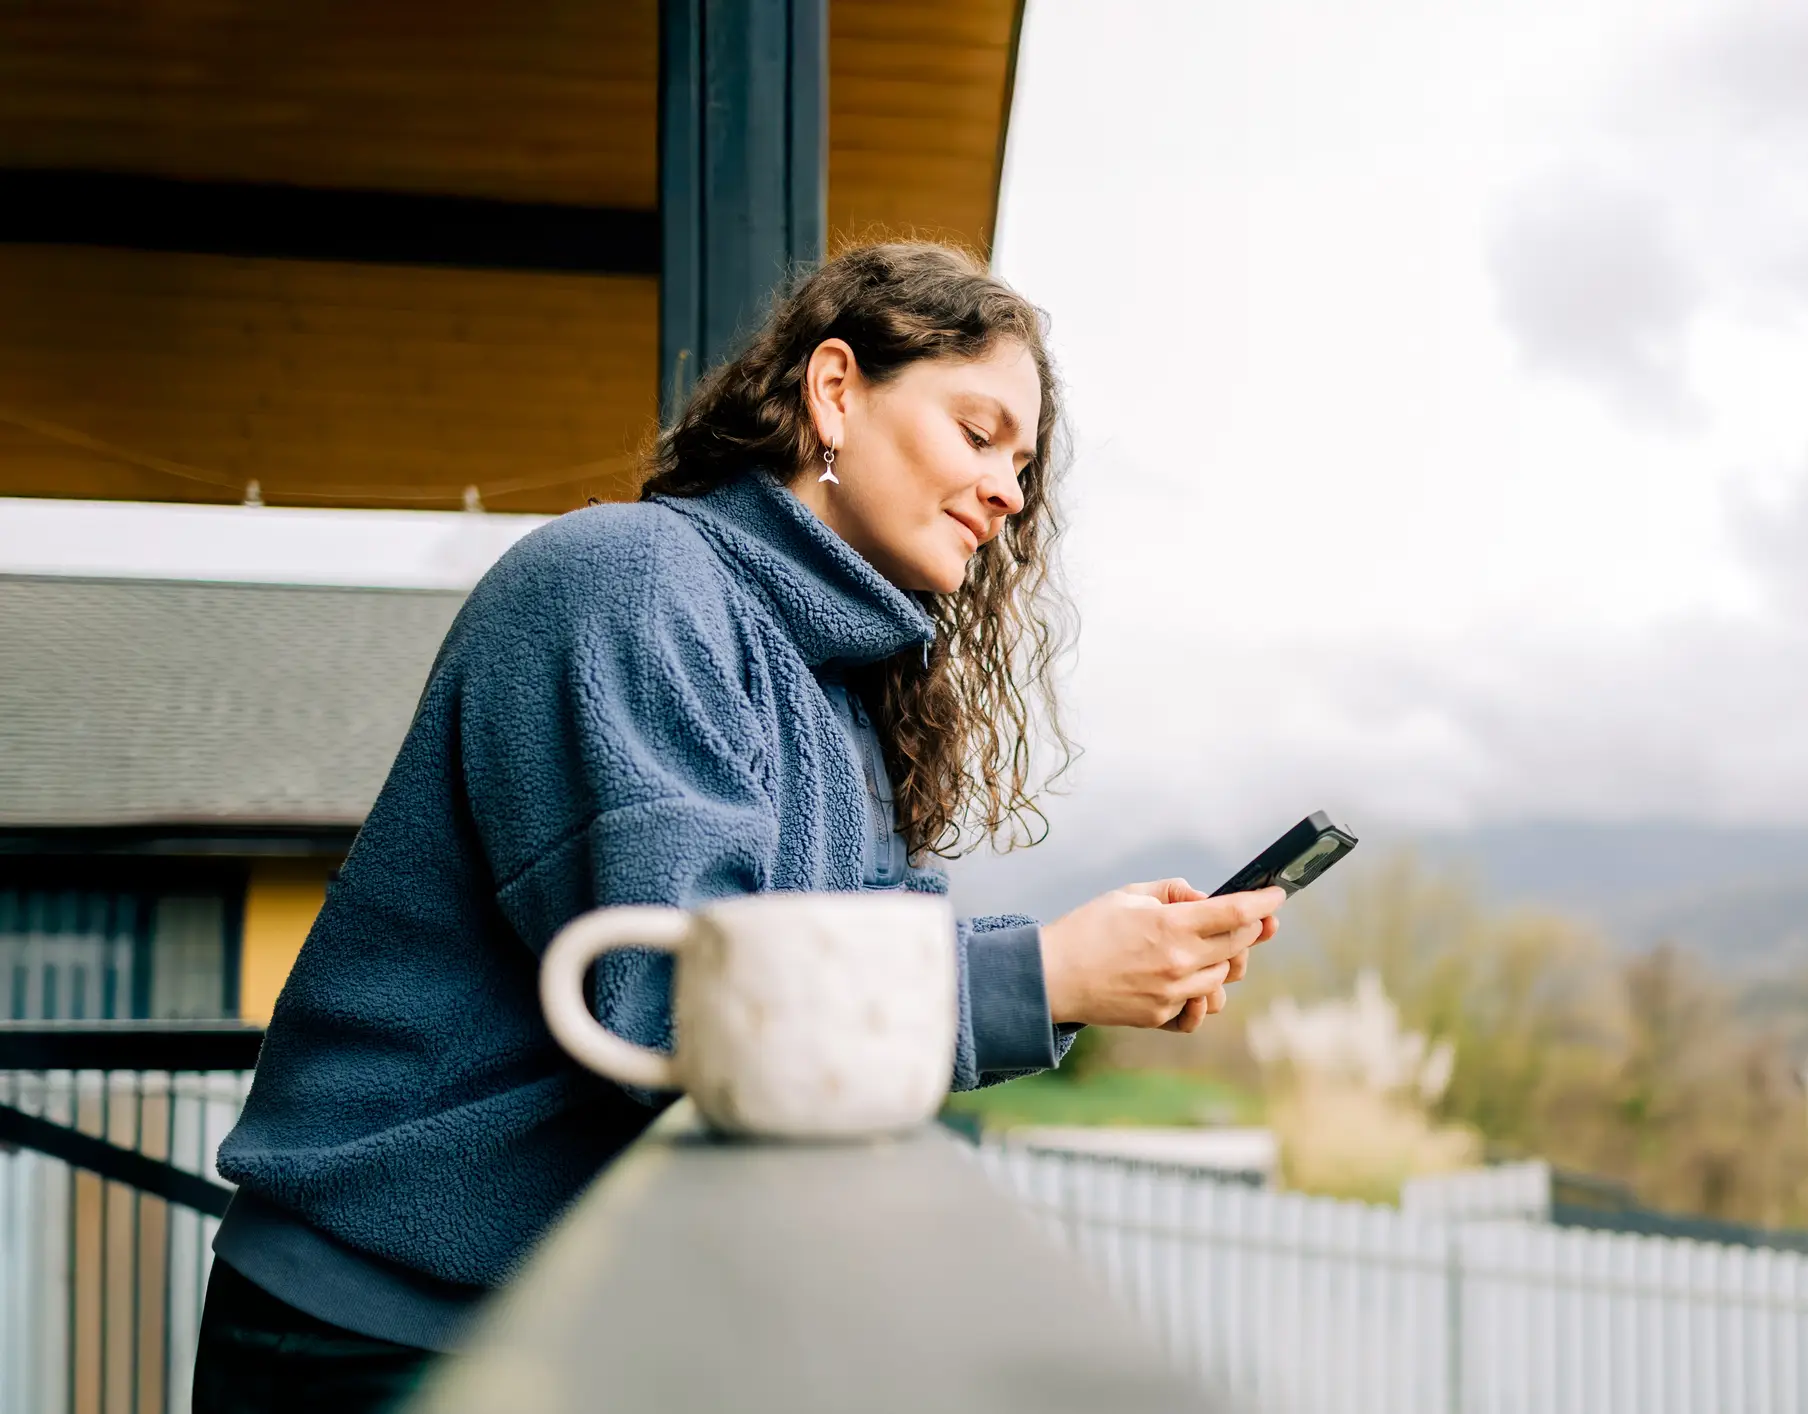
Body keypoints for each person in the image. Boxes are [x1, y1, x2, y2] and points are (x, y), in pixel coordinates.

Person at [191, 242, 1285, 1413]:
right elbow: (680, 1014)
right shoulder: (627, 582)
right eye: (978, 435)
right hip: (376, 1329)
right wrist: (1051, 976)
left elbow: (848, 1033)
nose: (1011, 491)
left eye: (1022, 464)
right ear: (832, 392)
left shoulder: (850, 697)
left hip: (566, 1318)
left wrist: (1071, 974)